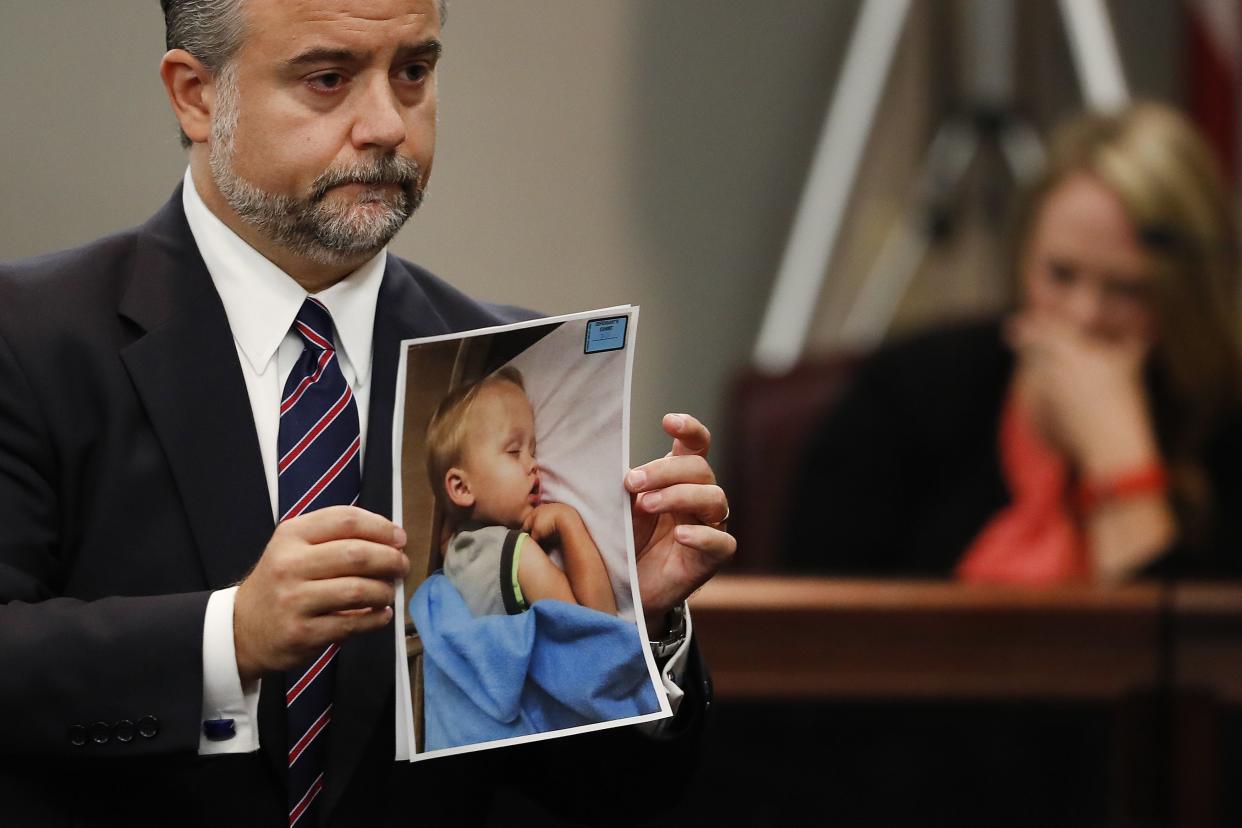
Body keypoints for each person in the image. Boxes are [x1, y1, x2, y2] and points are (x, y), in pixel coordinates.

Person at [0, 1, 734, 826]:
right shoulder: (29, 341)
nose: (387, 124)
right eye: (328, 79)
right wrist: (228, 637)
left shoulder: (500, 372)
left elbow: (613, 797)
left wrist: (646, 622)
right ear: (196, 96)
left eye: (414, 72)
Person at [788, 101, 1242, 582]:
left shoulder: (1226, 425)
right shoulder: (907, 395)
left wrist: (1120, 462)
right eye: (1060, 274)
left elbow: (1191, 654)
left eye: (1127, 289)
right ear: (1024, 257)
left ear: (1188, 294)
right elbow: (807, 637)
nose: (1083, 315)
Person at [425, 366, 618, 618]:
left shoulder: (452, 549)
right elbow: (599, 631)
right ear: (461, 487)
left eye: (533, 451)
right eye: (514, 452)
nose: (533, 464)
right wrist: (569, 523)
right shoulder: (518, 555)